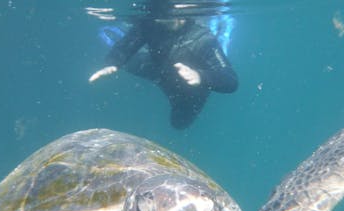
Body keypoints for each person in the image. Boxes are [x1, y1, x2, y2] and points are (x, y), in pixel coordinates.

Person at [89, 0, 238, 129]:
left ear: (183, 16)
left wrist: (201, 76)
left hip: (189, 88)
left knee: (179, 123)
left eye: (164, 16)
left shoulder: (203, 39)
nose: (158, 20)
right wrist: (113, 63)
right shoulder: (151, 23)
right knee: (126, 63)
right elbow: (128, 45)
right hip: (158, 70)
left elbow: (230, 80)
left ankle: (224, 35)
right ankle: (114, 38)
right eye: (157, 16)